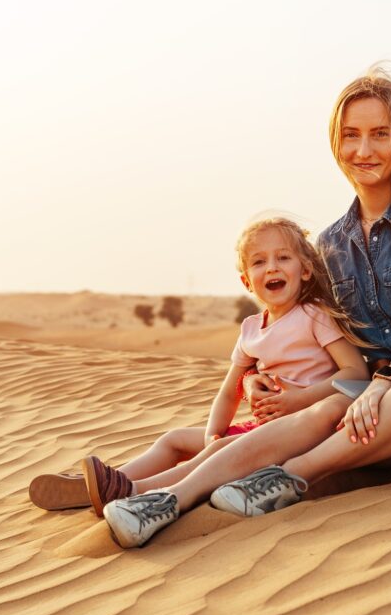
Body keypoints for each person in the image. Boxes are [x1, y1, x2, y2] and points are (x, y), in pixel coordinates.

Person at [102, 66, 391, 548]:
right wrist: (258, 376)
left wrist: (386, 382)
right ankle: (164, 497)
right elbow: (306, 327)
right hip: (390, 414)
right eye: (351, 135)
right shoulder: (331, 244)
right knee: (321, 411)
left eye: (379, 134)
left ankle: (289, 478)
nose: (363, 150)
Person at [29, 217, 369, 518]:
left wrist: (301, 399)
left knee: (221, 451)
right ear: (246, 281)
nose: (272, 268)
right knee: (175, 439)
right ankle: (117, 481)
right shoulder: (251, 329)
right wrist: (211, 435)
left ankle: (136, 490)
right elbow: (229, 392)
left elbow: (354, 372)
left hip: (303, 431)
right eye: (259, 262)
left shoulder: (314, 315)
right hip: (258, 429)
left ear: (305, 269)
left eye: (283, 258)